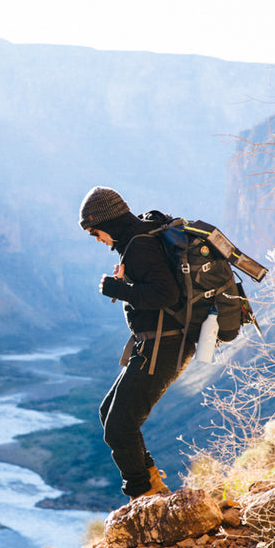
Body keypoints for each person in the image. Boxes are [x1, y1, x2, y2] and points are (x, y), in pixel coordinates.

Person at [78, 185, 201, 499]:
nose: (97, 240)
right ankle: (151, 485)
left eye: (95, 232)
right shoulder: (142, 236)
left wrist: (118, 290)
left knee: (120, 425)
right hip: (157, 345)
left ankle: (142, 496)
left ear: (106, 221)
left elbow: (167, 294)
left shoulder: (138, 246)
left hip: (164, 347)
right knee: (110, 414)